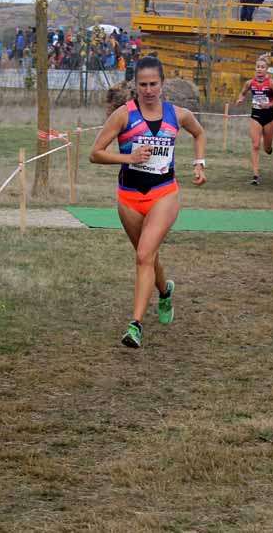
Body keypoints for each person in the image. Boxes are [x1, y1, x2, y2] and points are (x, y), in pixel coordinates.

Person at [89, 56, 206, 349]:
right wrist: (127, 157)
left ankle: (135, 325)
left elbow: (199, 132)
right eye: (143, 84)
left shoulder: (177, 115)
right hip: (129, 197)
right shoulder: (123, 115)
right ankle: (165, 291)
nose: (149, 90)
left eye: (154, 83)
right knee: (148, 256)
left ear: (163, 84)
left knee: (143, 256)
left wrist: (199, 163)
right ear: (135, 85)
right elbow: (95, 153)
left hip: (164, 193)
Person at [236, 56, 273, 185]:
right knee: (255, 145)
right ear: (255, 68)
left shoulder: (271, 83)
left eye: (262, 67)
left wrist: (271, 103)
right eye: (258, 67)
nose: (260, 69)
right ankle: (255, 175)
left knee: (266, 147)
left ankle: (269, 148)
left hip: (268, 117)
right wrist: (240, 99)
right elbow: (243, 93)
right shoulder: (250, 83)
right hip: (255, 115)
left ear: (266, 69)